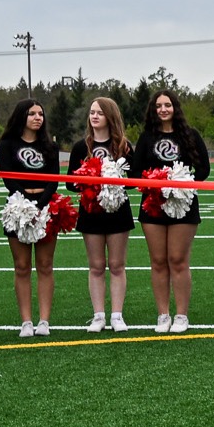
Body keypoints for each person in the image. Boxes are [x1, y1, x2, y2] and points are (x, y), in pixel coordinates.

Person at [131, 89, 210, 334]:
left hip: (182, 206)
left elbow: (203, 170)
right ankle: (163, 314)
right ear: (153, 110)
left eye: (167, 105)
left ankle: (182, 316)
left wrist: (181, 183)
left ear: (175, 108)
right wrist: (156, 182)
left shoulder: (190, 136)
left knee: (178, 260)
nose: (163, 109)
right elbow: (134, 175)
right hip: (153, 206)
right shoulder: (146, 138)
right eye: (158, 106)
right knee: (157, 261)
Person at [70, 97, 135, 333]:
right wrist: (89, 182)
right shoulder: (80, 147)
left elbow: (133, 180)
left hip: (118, 211)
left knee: (117, 265)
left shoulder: (124, 146)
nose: (94, 116)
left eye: (99, 112)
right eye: (91, 112)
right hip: (91, 211)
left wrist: (113, 183)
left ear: (110, 116)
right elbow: (70, 182)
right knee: (96, 265)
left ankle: (117, 315)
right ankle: (98, 316)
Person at [0, 99, 61, 338]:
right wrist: (24, 204)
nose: (37, 117)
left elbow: (54, 179)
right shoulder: (7, 144)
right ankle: (26, 321)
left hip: (45, 207)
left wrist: (40, 205)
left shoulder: (50, 147)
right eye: (32, 113)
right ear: (21, 116)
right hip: (18, 208)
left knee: (45, 266)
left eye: (40, 114)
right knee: (22, 267)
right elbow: (7, 179)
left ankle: (44, 320)